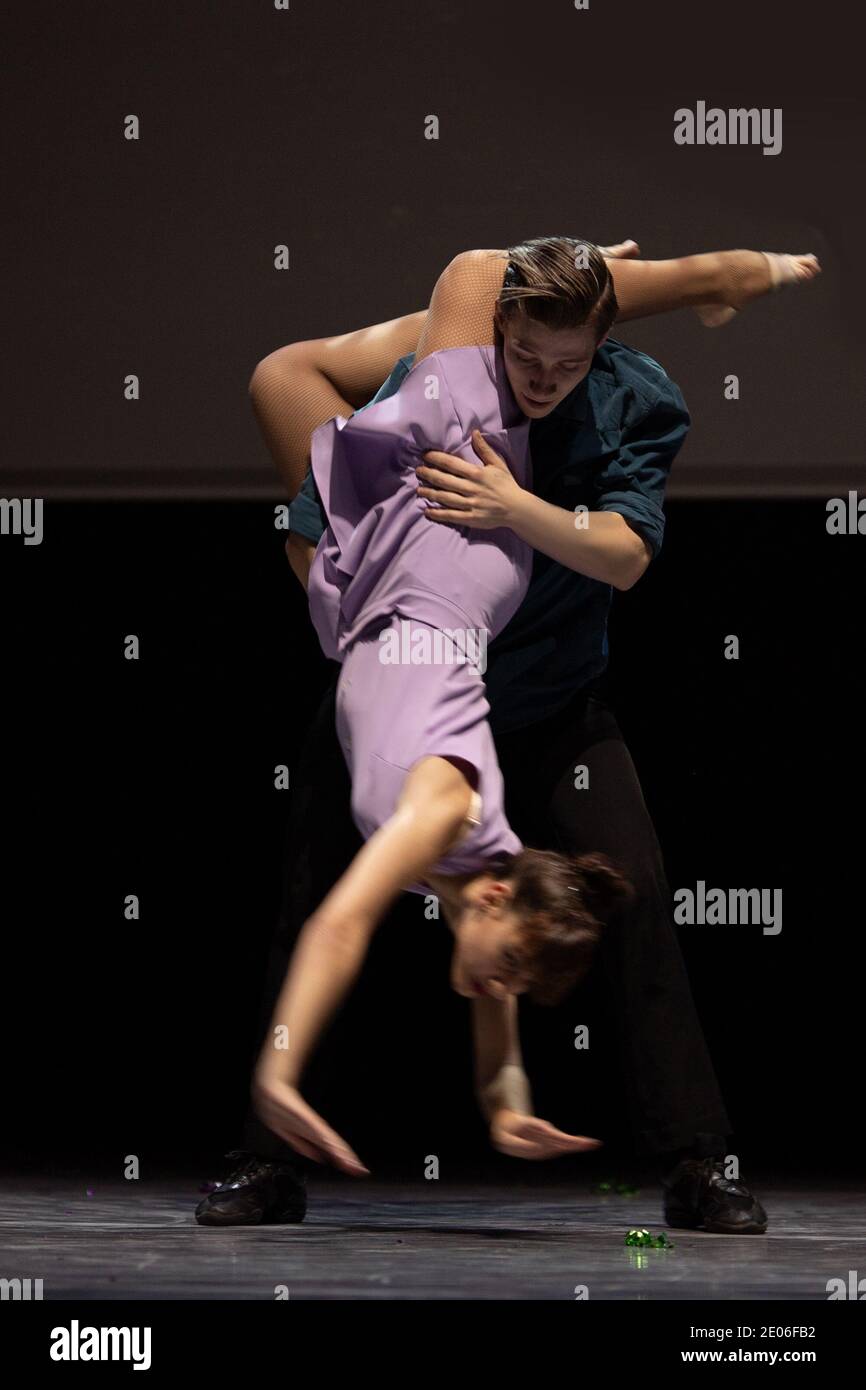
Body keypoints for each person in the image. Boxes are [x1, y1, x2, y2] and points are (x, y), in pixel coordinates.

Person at [195, 236, 819, 1232]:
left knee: (637, 889)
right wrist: (366, 635)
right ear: (499, 335)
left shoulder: (634, 400)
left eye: (565, 364)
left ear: (600, 344)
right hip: (417, 687)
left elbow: (622, 554)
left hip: (546, 699)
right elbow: (319, 510)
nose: (539, 381)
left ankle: (699, 1159)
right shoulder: (445, 389)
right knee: (313, 886)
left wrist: (514, 507)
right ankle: (264, 1158)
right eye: (523, 357)